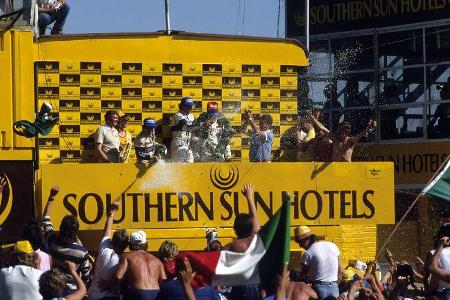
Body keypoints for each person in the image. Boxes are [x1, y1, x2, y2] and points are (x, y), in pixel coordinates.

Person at [41, 186, 91, 295]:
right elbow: (86, 278)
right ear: (76, 231)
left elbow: (45, 219)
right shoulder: (82, 252)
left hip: (54, 287)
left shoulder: (52, 242)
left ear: (61, 228)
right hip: (72, 292)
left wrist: (52, 197)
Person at [223, 183, 261, 300]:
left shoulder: (229, 247)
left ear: (234, 229)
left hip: (238, 287)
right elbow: (254, 217)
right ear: (251, 228)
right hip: (254, 286)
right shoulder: (255, 241)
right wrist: (249, 196)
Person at [107, 230, 166, 300]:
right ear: (146, 243)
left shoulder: (127, 257)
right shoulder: (157, 261)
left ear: (130, 244)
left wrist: (107, 285)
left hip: (137, 293)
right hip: (156, 293)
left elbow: (118, 276)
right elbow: (164, 281)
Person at [88, 202, 129, 300]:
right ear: (125, 246)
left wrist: (113, 212)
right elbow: (119, 277)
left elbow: (107, 228)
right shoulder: (123, 260)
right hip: (110, 297)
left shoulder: (104, 249)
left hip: (93, 295)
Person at [294, 225, 342, 299]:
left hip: (318, 287)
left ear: (307, 239)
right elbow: (340, 270)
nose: (300, 246)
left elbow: (302, 276)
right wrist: (336, 283)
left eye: (300, 242)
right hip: (334, 286)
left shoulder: (308, 253)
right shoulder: (333, 246)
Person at [311, 114, 377, 162]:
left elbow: (361, 134)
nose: (343, 133)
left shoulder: (350, 141)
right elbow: (322, 128)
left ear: (348, 132)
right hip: (336, 169)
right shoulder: (335, 139)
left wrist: (369, 128)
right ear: (339, 130)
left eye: (345, 131)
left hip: (347, 169)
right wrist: (314, 119)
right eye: (342, 130)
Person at [171, 97, 196, 162]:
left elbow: (195, 128)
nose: (190, 108)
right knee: (179, 165)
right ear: (182, 106)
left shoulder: (192, 116)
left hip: (187, 144)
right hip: (178, 144)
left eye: (191, 106)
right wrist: (201, 125)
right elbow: (184, 124)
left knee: (190, 163)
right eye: (188, 106)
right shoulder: (177, 115)